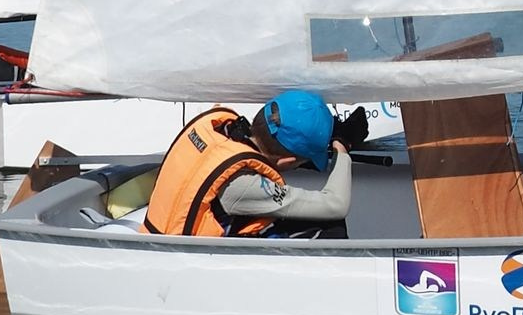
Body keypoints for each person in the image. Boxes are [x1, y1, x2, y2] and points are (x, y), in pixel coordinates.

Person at [141, 90, 369, 237]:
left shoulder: (214, 127)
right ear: (287, 160)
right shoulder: (243, 186)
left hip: (158, 240)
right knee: (332, 228)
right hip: (183, 272)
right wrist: (341, 145)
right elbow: (335, 205)